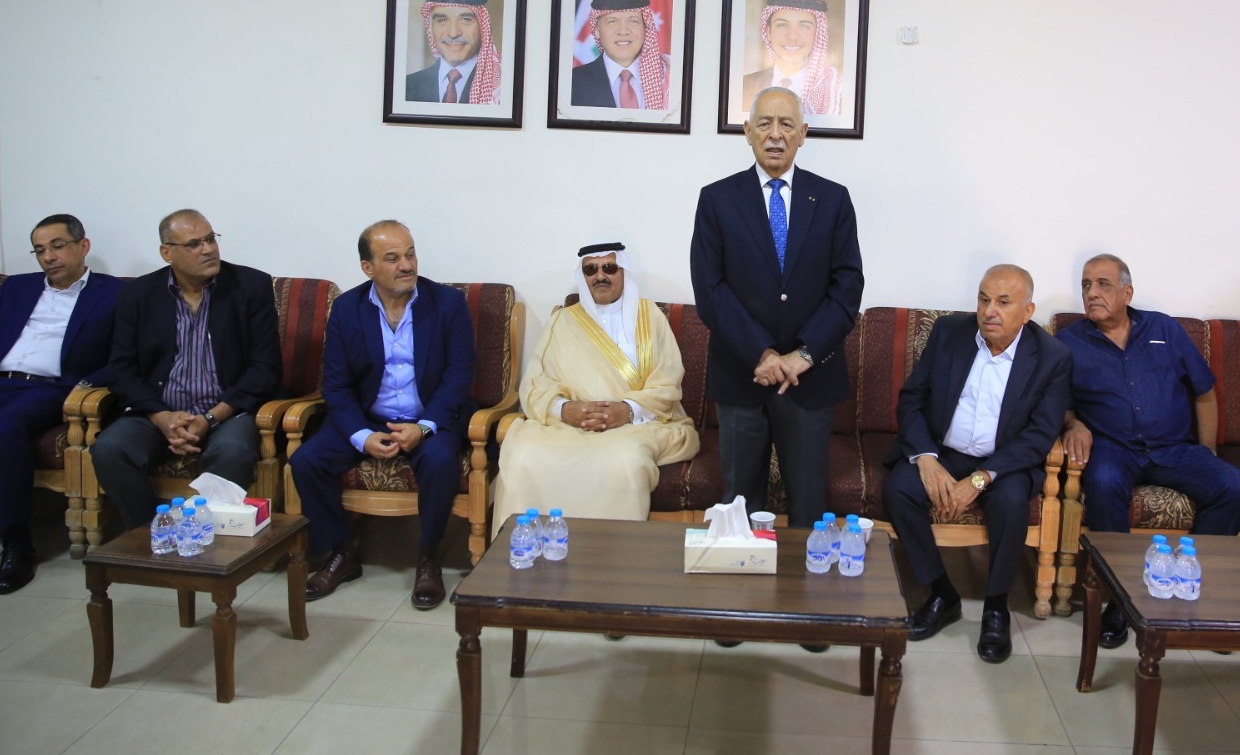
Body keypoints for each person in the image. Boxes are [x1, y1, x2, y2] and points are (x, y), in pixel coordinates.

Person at [1057, 253, 1240, 649]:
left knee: (1234, 485)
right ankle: (1119, 600)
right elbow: (1056, 402)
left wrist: (1208, 450)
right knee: (1103, 481)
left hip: (1174, 448)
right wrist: (1074, 424)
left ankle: (1187, 585)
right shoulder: (1069, 341)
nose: (1092, 293)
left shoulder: (1164, 328)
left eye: (1103, 284)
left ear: (1127, 292)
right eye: (1086, 285)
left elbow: (1204, 392)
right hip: (1113, 448)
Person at [691, 86, 863, 528]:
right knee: (740, 511)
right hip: (741, 377)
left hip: (811, 381)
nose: (775, 134)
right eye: (765, 123)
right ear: (747, 131)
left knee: (808, 512)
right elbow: (710, 290)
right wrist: (762, 353)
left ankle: (802, 578)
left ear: (802, 134)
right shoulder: (717, 199)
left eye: (786, 124)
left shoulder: (833, 200)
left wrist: (802, 355)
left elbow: (847, 288)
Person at [884, 265, 1072, 664]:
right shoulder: (949, 333)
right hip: (944, 452)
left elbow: (1039, 435)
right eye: (984, 299)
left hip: (1003, 462)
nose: (989, 311)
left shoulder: (1052, 357)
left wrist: (981, 478)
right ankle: (942, 594)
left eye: (1003, 303)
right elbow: (912, 399)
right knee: (899, 490)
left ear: (1027, 311)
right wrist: (927, 459)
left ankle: (996, 608)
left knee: (1010, 503)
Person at [290, 221, 473, 610]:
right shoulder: (347, 309)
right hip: (368, 416)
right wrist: (361, 435)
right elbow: (336, 385)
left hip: (430, 417)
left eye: (410, 254)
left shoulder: (448, 303)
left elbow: (459, 376)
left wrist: (424, 427)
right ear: (368, 267)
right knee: (306, 461)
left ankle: (428, 558)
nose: (406, 265)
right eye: (392, 258)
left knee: (440, 460)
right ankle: (341, 553)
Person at [91, 211, 281, 535]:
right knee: (110, 449)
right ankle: (153, 533)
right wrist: (161, 417)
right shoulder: (138, 294)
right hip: (158, 412)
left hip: (228, 411)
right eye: (194, 244)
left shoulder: (251, 286)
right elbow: (121, 369)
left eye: (210, 239)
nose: (208, 249)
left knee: (232, 452)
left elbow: (266, 368)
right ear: (167, 252)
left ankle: (208, 540)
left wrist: (209, 419)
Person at [0, 214, 121, 593]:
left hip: (48, 389)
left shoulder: (114, 292)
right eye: (40, 250)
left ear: (83, 246)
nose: (49, 257)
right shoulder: (16, 288)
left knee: (2, 429)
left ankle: (16, 541)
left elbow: (125, 355)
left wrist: (85, 385)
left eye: (57, 246)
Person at [491, 241, 697, 532]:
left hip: (635, 425)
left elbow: (667, 380)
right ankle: (531, 549)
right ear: (584, 276)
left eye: (609, 268)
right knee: (523, 454)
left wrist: (627, 410)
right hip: (569, 426)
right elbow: (536, 384)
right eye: (591, 270)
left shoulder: (650, 317)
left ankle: (610, 554)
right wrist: (565, 410)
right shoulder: (562, 321)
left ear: (623, 272)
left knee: (626, 461)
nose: (600, 276)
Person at [739, 0, 843, 117]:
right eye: (782, 25)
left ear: (817, 34)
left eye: (804, 26)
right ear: (768, 32)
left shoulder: (836, 91)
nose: (793, 36)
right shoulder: (744, 86)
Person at [570, 0, 671, 109]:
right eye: (612, 21)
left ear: (645, 27)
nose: (623, 31)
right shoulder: (572, 83)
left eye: (633, 21)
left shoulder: (671, 76)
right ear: (597, 30)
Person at [404, 0, 502, 105]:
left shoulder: (501, 87)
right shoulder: (407, 86)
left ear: (482, 27)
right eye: (442, 20)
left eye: (465, 19)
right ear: (430, 28)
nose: (453, 33)